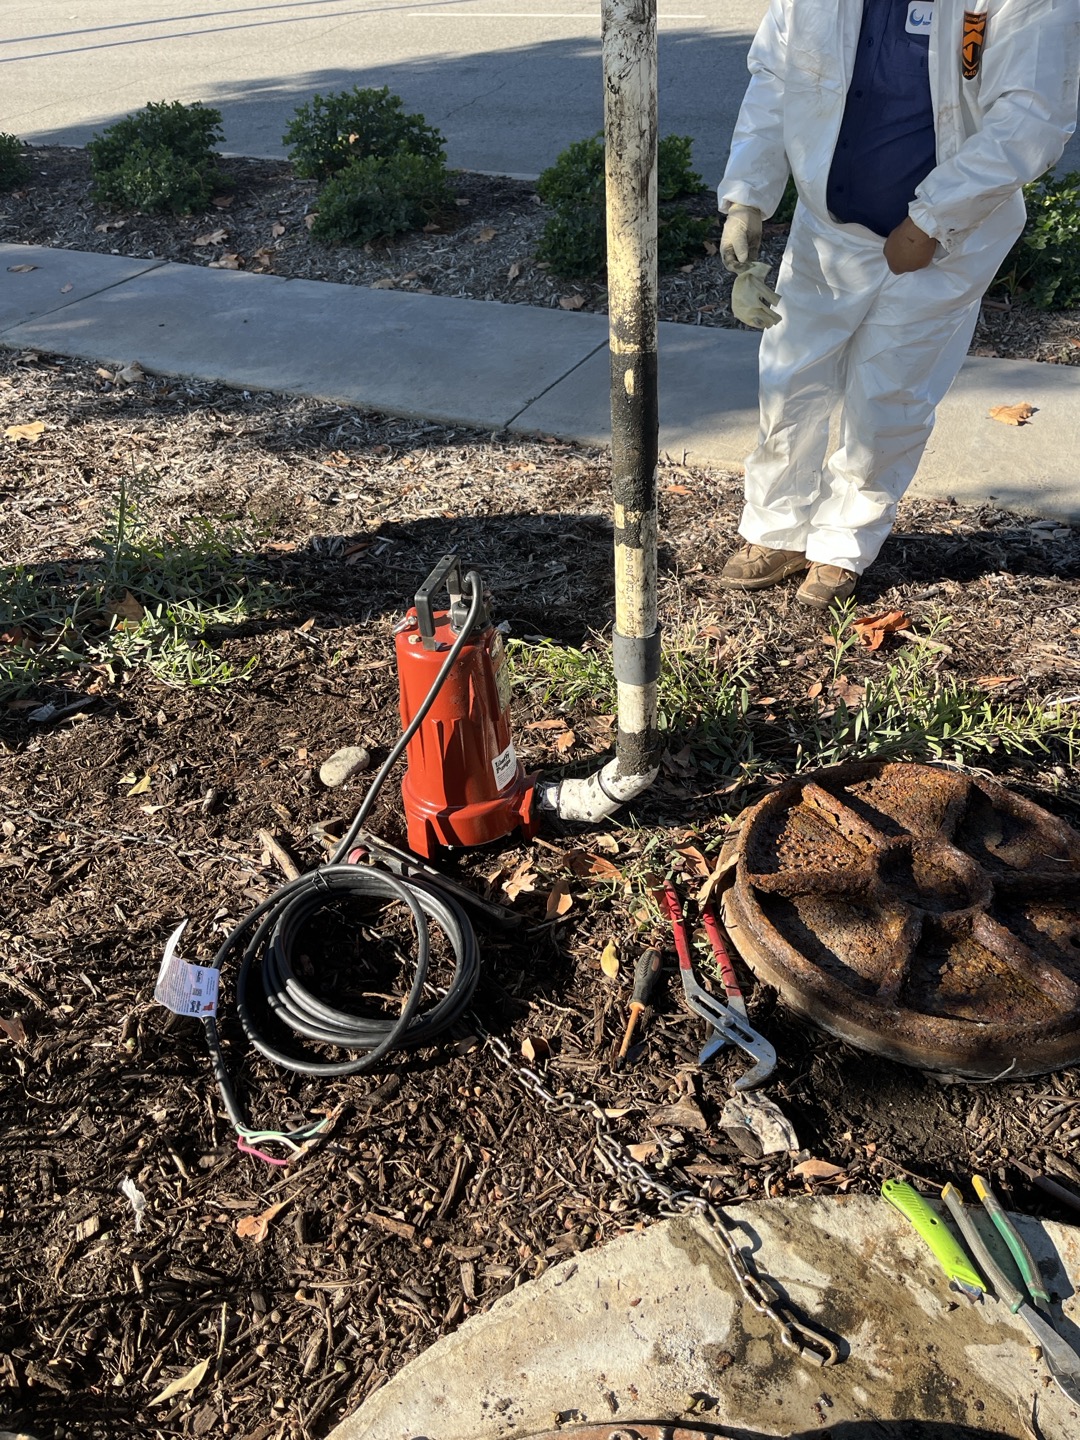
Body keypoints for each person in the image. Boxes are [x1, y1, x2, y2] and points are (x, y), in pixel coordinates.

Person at [717, 0, 1080, 608]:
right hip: (827, 228)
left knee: (889, 393)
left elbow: (1030, 118)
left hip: (944, 246)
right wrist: (748, 196)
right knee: (789, 376)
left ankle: (842, 544)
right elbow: (777, 74)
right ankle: (775, 526)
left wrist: (934, 219)